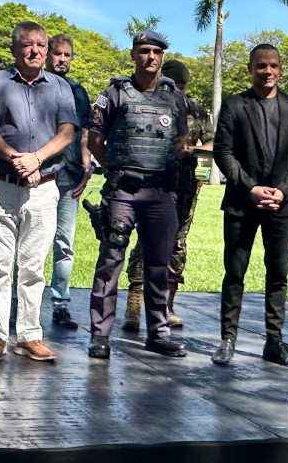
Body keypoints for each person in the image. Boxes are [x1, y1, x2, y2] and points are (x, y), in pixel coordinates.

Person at [0, 21, 76, 362]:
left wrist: (36, 159)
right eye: (28, 45)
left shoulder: (60, 88)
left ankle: (29, 335)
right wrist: (15, 157)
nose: (36, 51)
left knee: (33, 267)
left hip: (43, 188)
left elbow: (67, 133)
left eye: (41, 45)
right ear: (14, 49)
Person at [85, 31, 189, 359]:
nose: (151, 57)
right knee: (111, 260)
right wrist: (116, 169)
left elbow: (180, 142)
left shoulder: (174, 97)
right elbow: (94, 140)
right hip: (123, 192)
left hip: (160, 193)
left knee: (159, 265)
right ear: (133, 54)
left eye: (157, 51)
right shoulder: (114, 93)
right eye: (144, 51)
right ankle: (100, 335)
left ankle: (158, 333)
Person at [211, 44, 288, 367]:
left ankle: (274, 341)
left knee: (278, 274)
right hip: (243, 202)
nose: (267, 71)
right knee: (235, 273)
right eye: (260, 66)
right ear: (250, 69)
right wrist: (251, 188)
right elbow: (223, 152)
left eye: (273, 66)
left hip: (283, 206)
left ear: (280, 69)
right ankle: (228, 339)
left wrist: (283, 191)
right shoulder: (234, 106)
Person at [121, 59, 213, 331]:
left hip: (184, 186)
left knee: (177, 244)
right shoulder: (152, 103)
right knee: (145, 241)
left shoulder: (196, 108)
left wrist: (195, 154)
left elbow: (212, 141)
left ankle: (167, 305)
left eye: (182, 85)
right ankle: (134, 305)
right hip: (152, 183)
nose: (178, 89)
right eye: (174, 83)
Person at [45, 33, 92, 330]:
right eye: (58, 54)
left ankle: (60, 304)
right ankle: (17, 306)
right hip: (40, 177)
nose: (63, 59)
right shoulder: (35, 88)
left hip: (70, 178)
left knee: (65, 244)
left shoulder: (78, 92)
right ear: (47, 54)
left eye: (67, 55)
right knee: (27, 245)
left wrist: (86, 164)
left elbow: (85, 131)